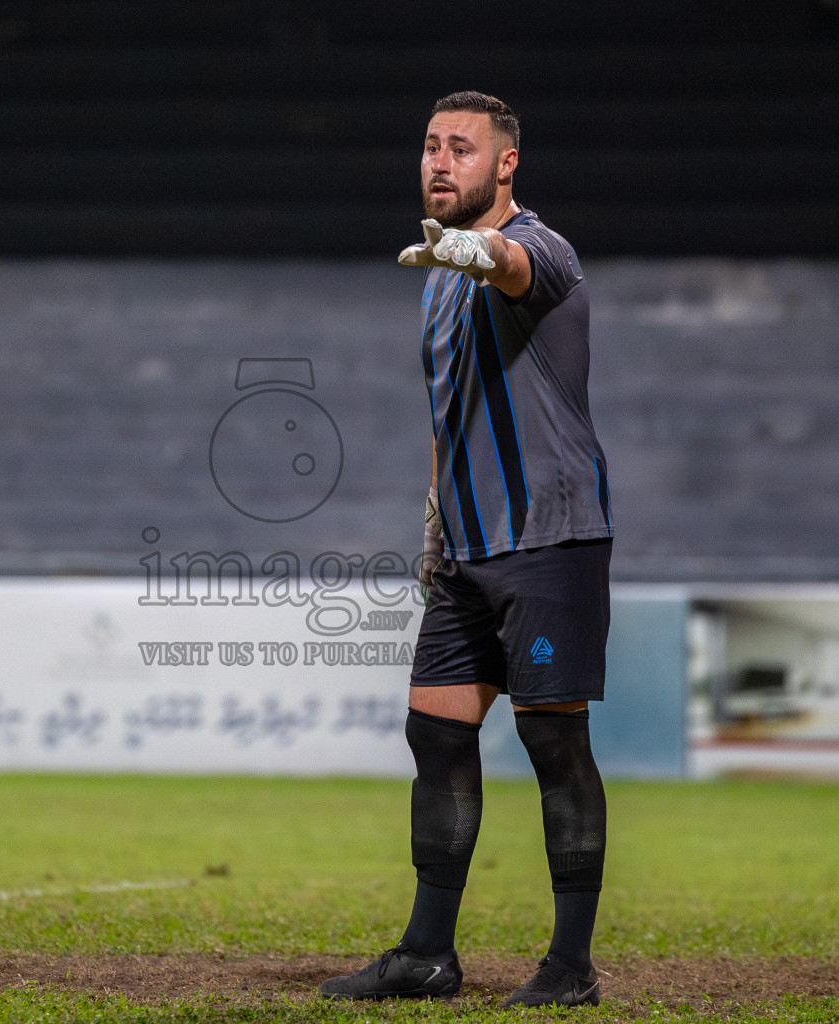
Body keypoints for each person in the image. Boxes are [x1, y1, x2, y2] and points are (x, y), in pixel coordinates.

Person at [318, 91, 613, 1009]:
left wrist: (476, 251)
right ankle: (426, 955)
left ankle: (570, 967)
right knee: (435, 733)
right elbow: (449, 411)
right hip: (466, 548)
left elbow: (514, 266)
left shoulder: (540, 247)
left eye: (462, 149)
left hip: (549, 539)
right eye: (431, 146)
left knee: (552, 740)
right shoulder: (437, 278)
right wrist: (435, 520)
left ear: (506, 164)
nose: (440, 162)